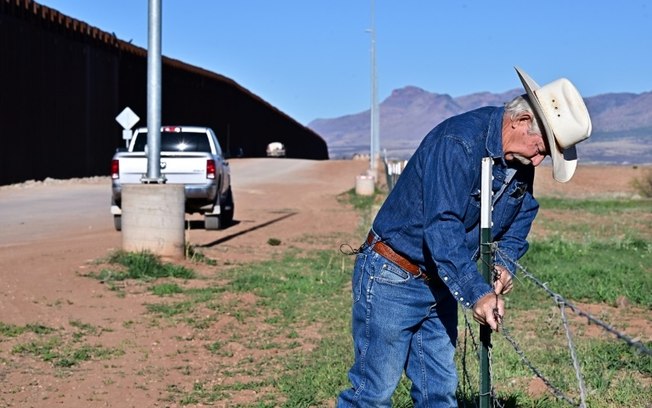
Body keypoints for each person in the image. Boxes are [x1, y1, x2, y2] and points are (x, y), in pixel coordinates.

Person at [337, 67, 592, 407]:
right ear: (521, 120)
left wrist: (503, 264)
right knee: (373, 391)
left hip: (439, 281)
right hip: (392, 276)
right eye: (543, 147)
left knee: (438, 390)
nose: (540, 159)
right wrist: (477, 294)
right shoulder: (457, 143)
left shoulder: (519, 161)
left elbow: (523, 212)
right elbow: (442, 225)